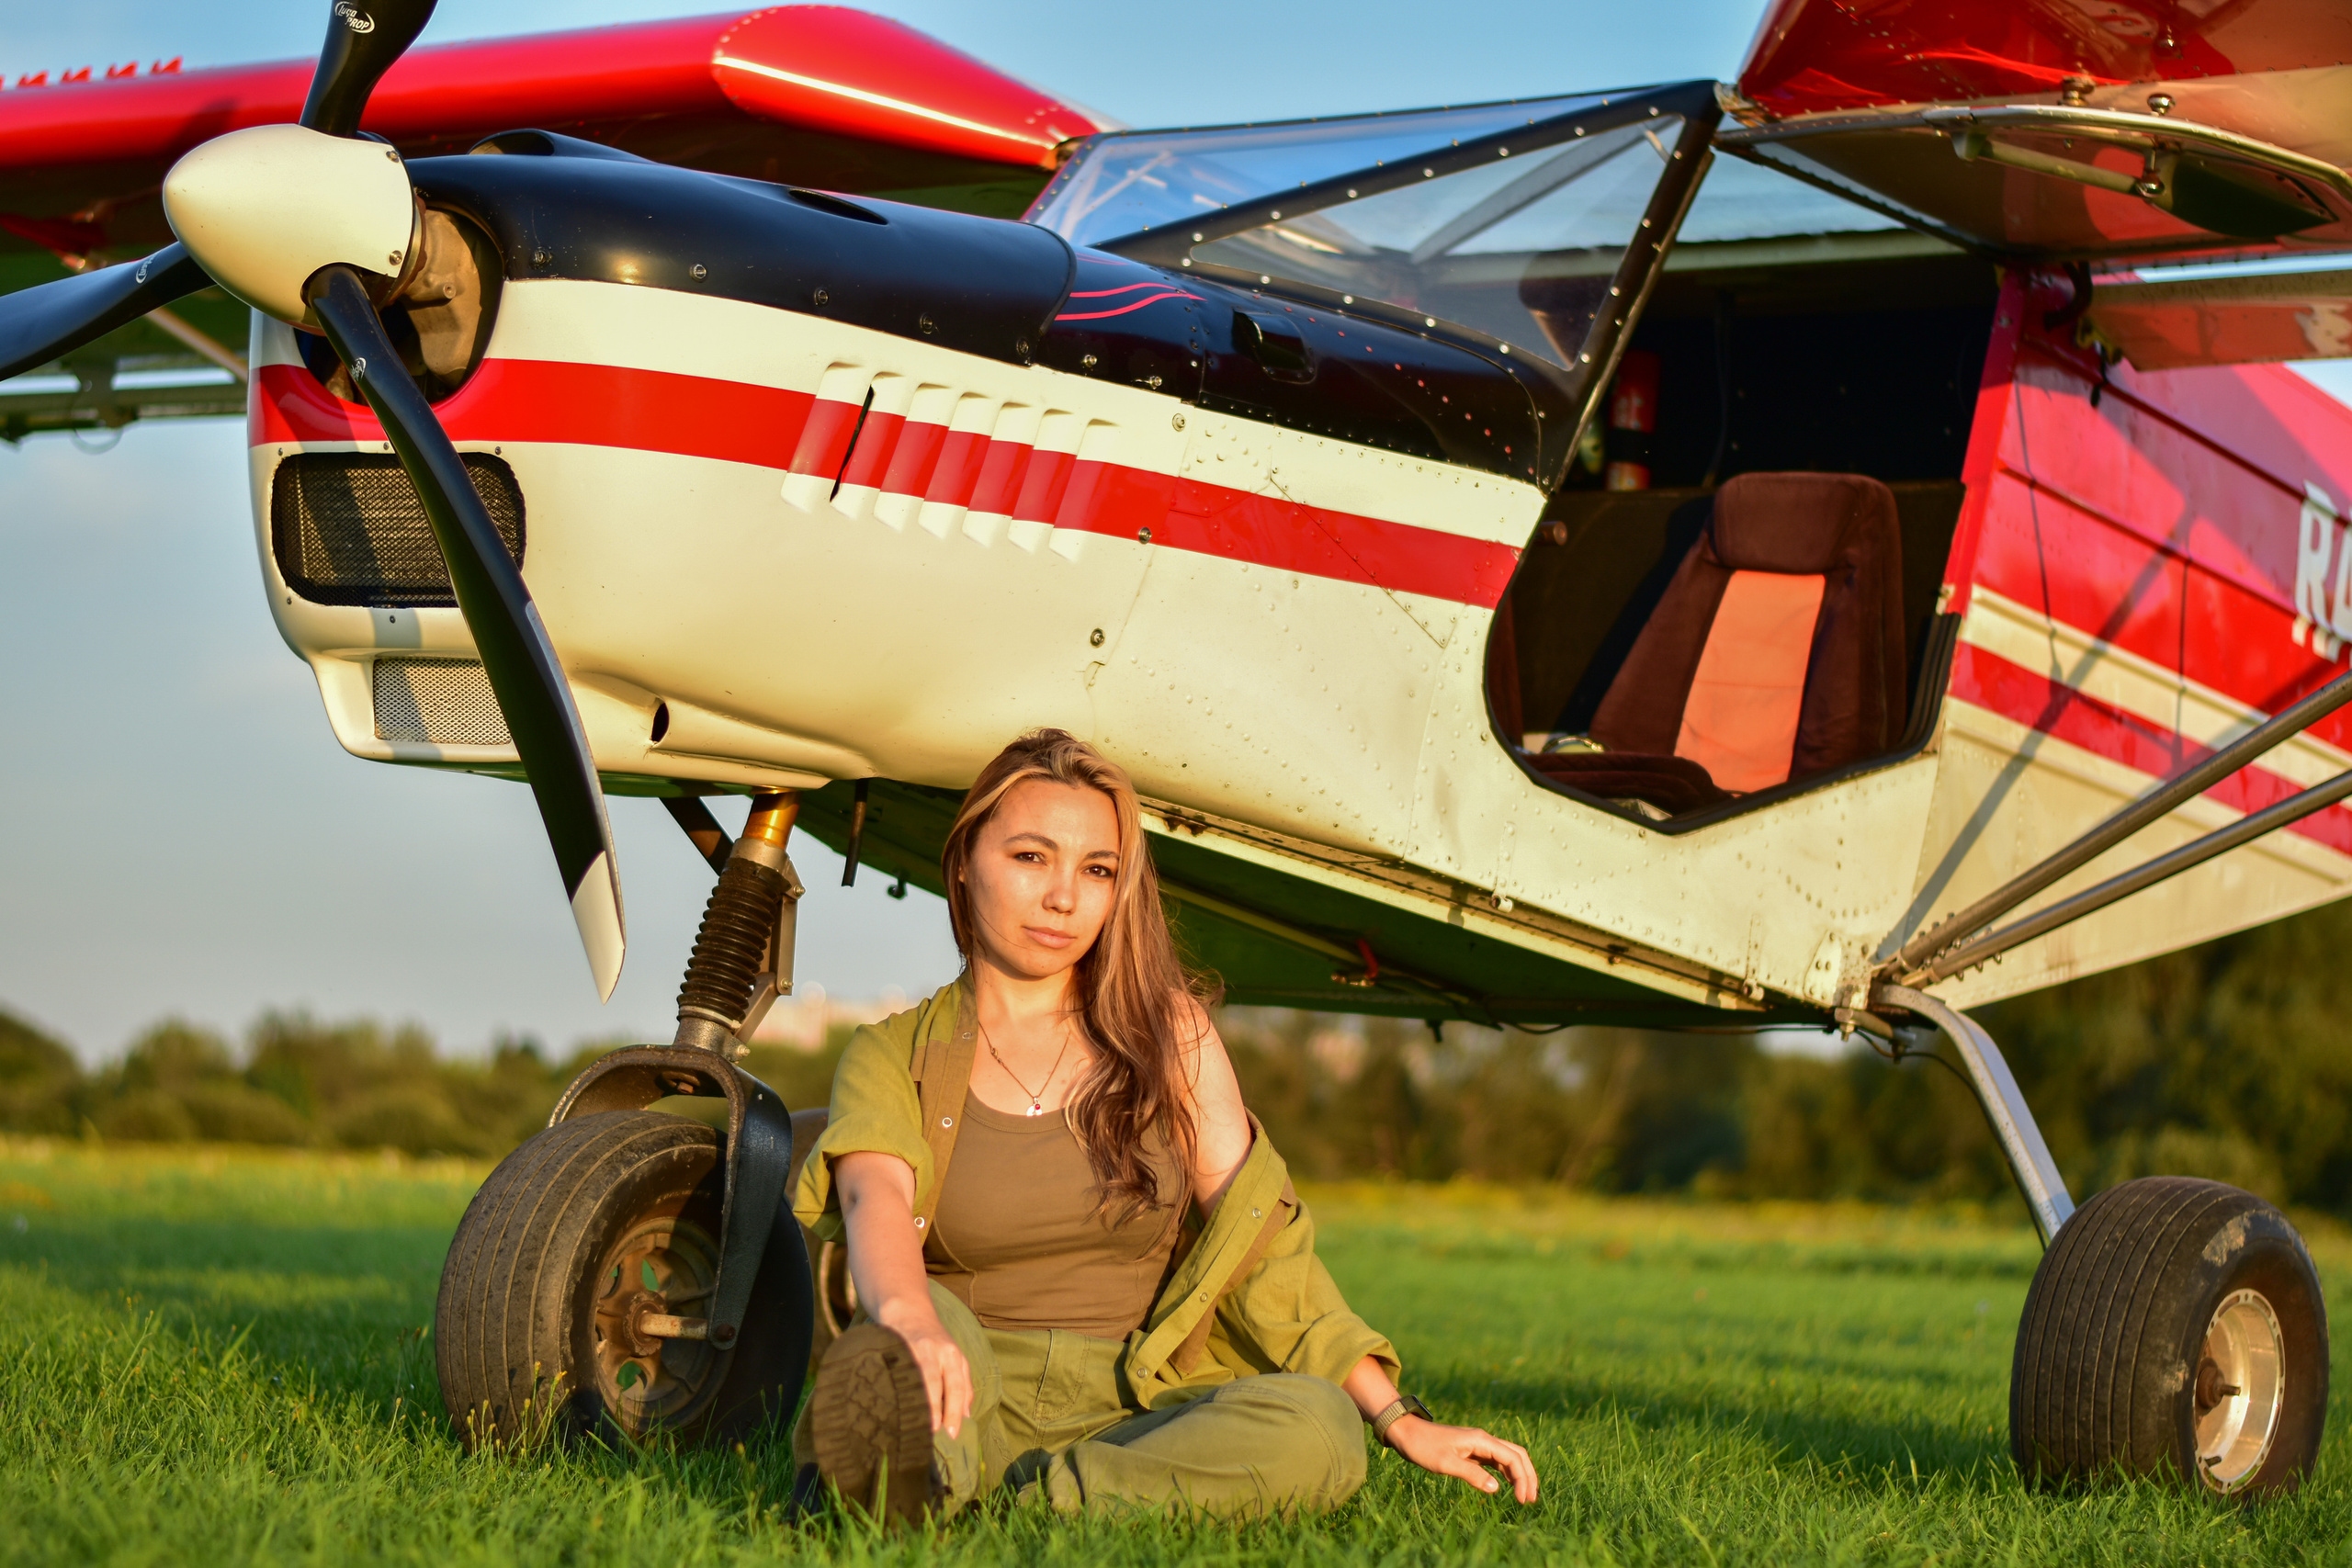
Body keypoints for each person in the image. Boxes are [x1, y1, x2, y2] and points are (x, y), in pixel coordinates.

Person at [790, 728, 1540, 1520]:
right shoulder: (892, 1053)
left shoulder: (1173, 1039)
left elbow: (1261, 1248)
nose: (1063, 897)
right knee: (914, 1334)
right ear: (966, 861)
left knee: (1320, 1425)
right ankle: (923, 1464)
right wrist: (908, 1316)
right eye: (1031, 856)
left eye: (1097, 869)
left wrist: (1396, 1416)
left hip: (1136, 1406)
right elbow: (874, 1201)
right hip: (966, 1377)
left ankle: (1027, 1500)